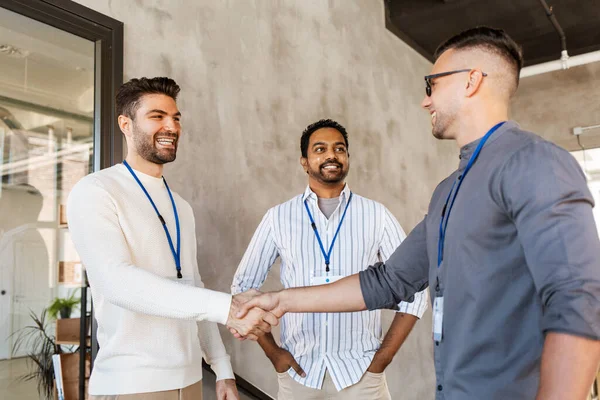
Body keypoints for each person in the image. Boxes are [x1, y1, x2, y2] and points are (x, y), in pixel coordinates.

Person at [235, 27, 600, 400]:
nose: (426, 102)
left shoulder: (535, 163)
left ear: (471, 81)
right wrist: (280, 301)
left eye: (433, 84)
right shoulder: (448, 191)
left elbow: (580, 300)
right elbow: (388, 282)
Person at [68, 77, 276, 399]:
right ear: (126, 124)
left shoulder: (182, 206)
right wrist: (227, 308)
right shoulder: (95, 191)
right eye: (157, 116)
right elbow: (116, 281)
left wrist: (222, 368)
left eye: (176, 118)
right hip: (131, 384)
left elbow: (193, 285)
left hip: (191, 381)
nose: (172, 126)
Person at [232, 119, 427, 399]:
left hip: (361, 374)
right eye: (320, 149)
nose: (331, 155)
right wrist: (274, 354)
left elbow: (417, 289)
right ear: (305, 161)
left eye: (339, 149)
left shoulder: (376, 215)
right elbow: (242, 289)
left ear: (347, 157)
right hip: (299, 374)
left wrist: (382, 358)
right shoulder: (278, 218)